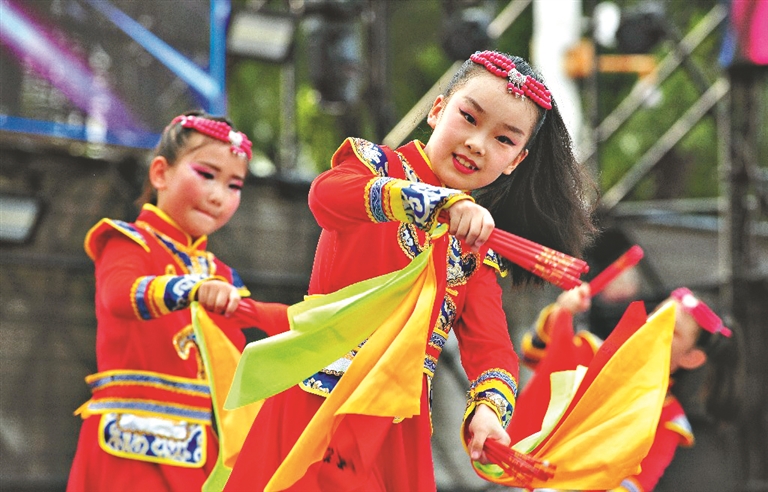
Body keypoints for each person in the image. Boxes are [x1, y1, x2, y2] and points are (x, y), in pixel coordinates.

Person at [223, 50, 597, 492]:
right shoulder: (378, 168)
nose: (478, 143)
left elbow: (492, 348)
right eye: (469, 117)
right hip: (320, 399)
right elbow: (326, 197)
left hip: (396, 427)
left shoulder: (474, 248)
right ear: (437, 110)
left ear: (516, 160)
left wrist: (489, 411)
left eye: (503, 139)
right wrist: (430, 202)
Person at [67, 111, 287, 492]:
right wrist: (191, 289)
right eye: (206, 174)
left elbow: (259, 318)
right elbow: (120, 295)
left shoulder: (217, 271)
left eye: (234, 185)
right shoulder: (127, 241)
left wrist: (332, 323)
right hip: (131, 446)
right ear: (160, 174)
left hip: (201, 452)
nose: (218, 196)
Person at [520, 284, 740, 492]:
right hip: (515, 472)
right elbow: (536, 356)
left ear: (692, 358)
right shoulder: (598, 354)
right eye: (655, 313)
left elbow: (633, 486)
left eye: (671, 330)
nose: (652, 325)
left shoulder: (667, 419)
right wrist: (562, 312)